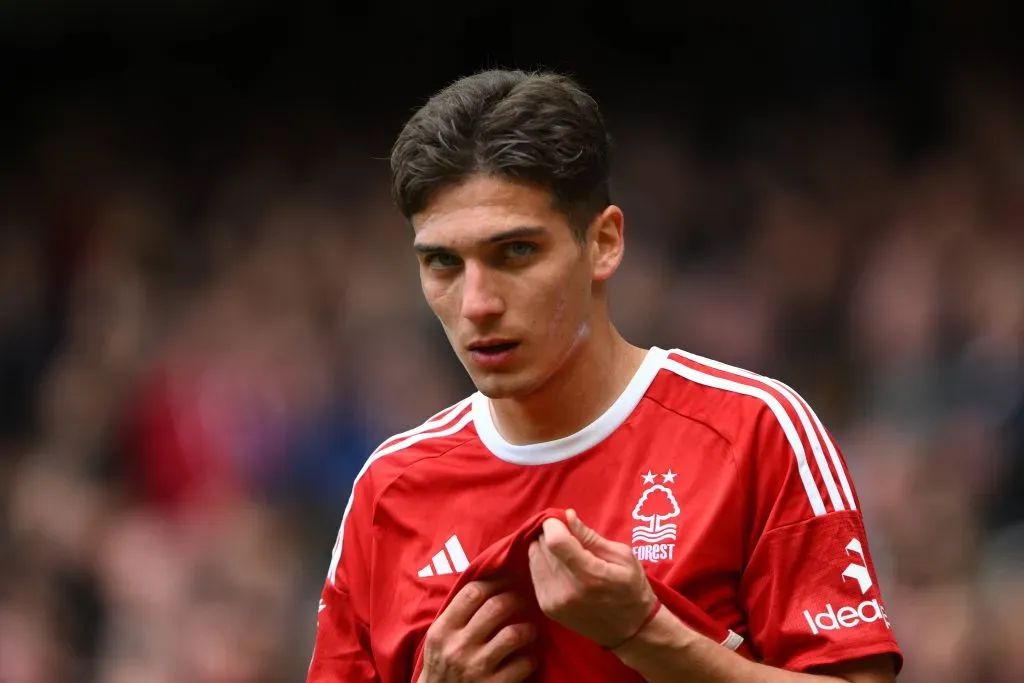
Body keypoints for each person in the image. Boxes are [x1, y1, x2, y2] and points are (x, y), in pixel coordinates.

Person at [308, 69, 903, 683]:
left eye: (516, 251)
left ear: (604, 243)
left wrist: (647, 635)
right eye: (443, 262)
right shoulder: (388, 491)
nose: (477, 303)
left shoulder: (755, 432)